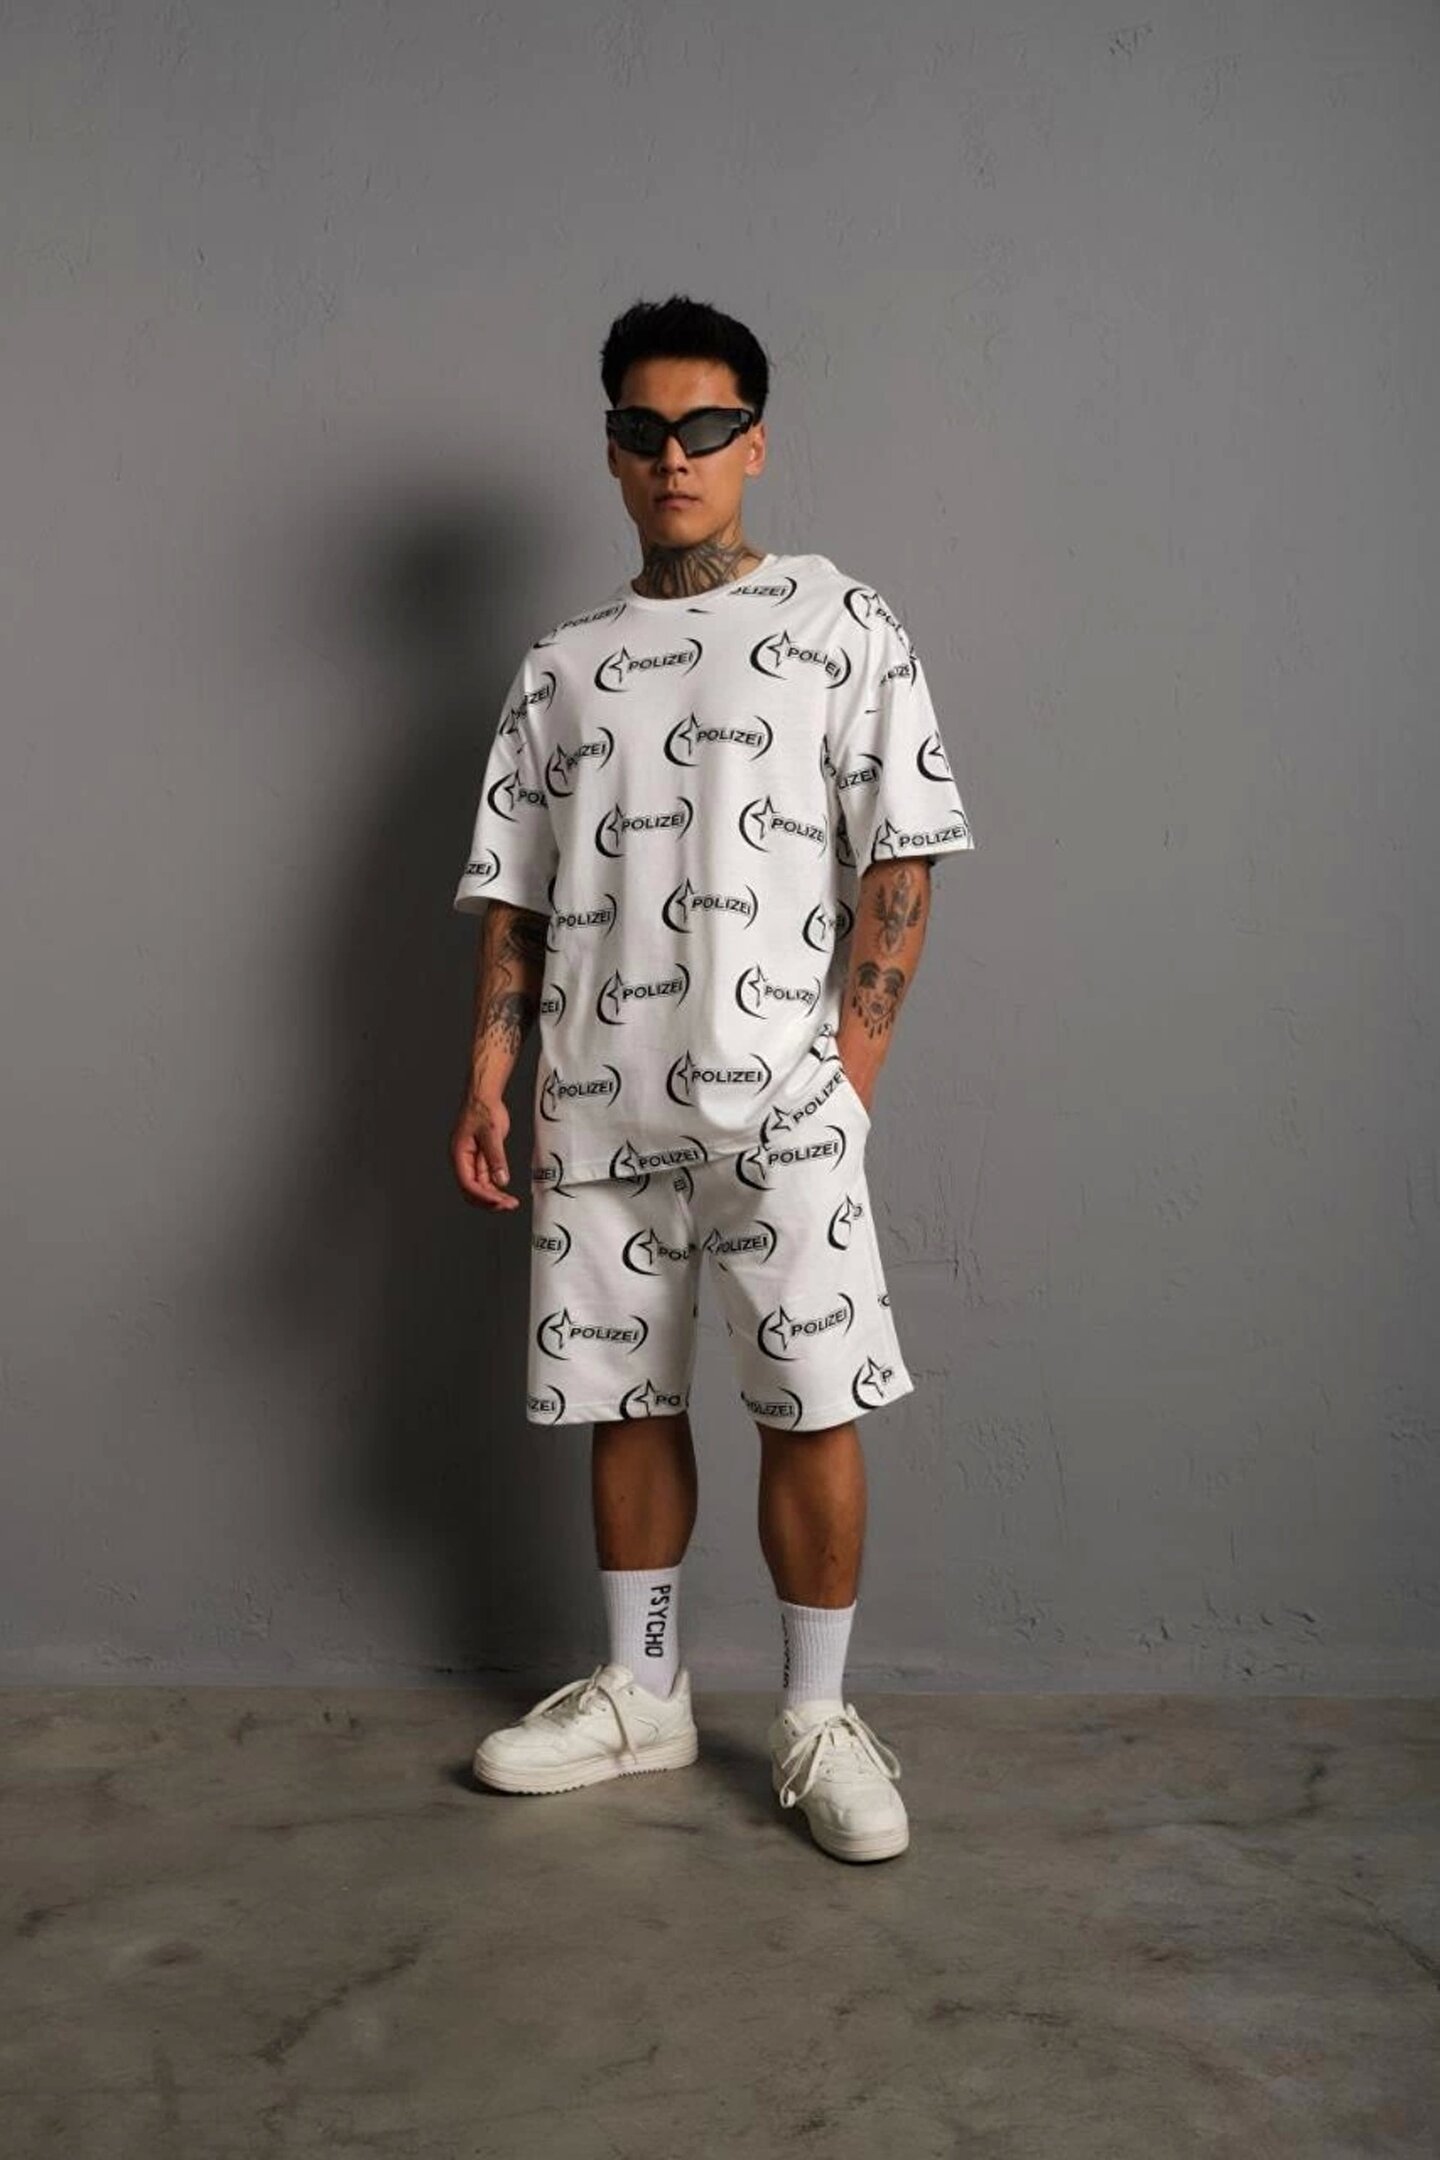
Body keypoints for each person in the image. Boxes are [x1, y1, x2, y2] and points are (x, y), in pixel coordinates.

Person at [448, 294, 975, 1863]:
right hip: (596, 1099)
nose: (672, 455)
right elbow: (518, 891)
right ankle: (644, 1690)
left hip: (784, 1102)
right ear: (611, 451)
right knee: (625, 1398)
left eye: (703, 426)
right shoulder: (563, 667)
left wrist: (847, 1080)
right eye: (641, 429)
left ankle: (815, 1717)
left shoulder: (839, 621)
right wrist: (490, 1074)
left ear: (755, 442)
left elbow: (903, 858)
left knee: (810, 1404)